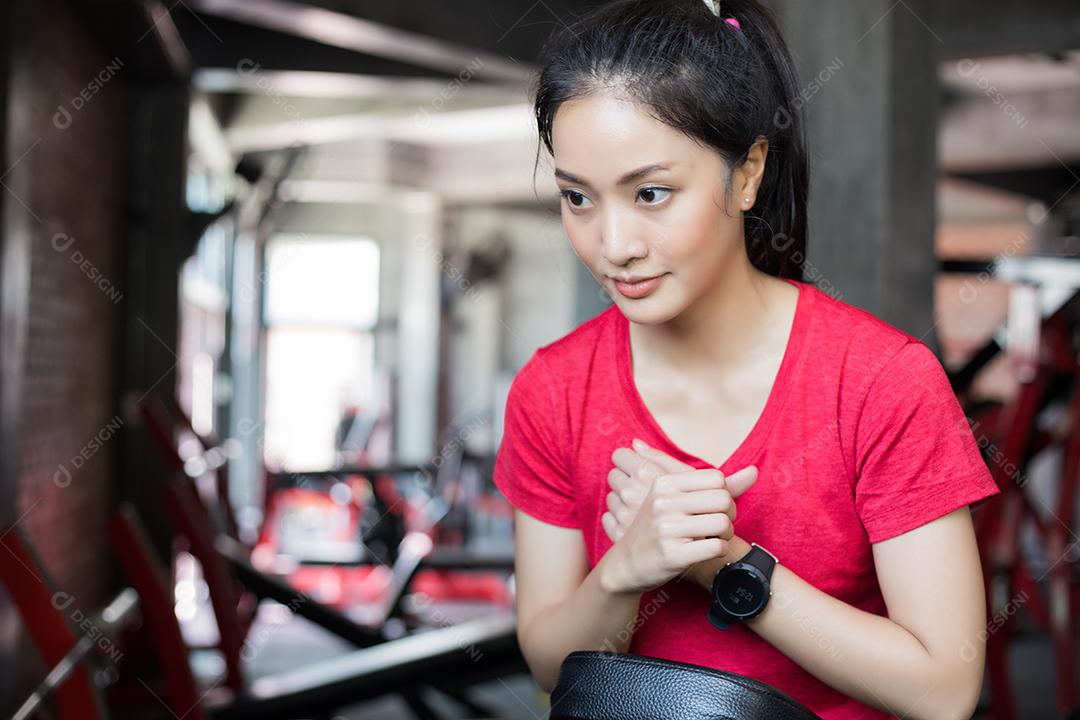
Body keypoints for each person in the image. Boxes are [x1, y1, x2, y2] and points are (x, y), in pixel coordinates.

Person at [492, 0, 1002, 718]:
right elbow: (550, 664)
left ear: (748, 173)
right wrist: (625, 571)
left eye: (650, 193)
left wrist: (727, 565)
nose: (613, 245)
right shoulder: (552, 389)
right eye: (578, 197)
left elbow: (944, 691)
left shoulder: (882, 381)